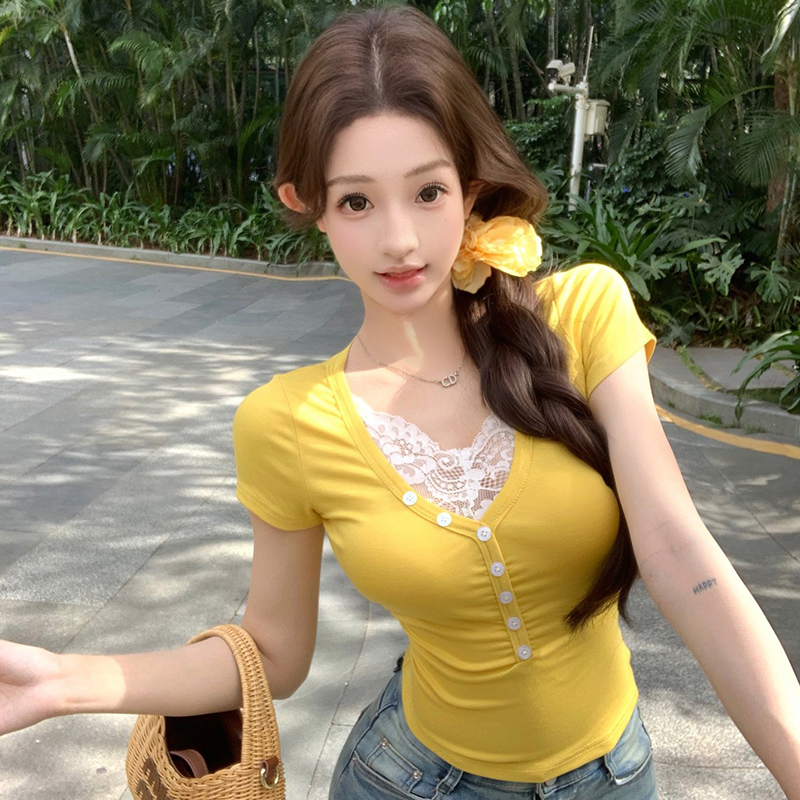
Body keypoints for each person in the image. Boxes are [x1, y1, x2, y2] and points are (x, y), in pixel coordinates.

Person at [1, 5, 799, 799]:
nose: (400, 240)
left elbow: (678, 551)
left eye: (427, 191)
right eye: (357, 201)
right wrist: (65, 681)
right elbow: (275, 653)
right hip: (411, 782)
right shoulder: (289, 421)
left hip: (613, 778)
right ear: (308, 203)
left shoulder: (583, 315)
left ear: (470, 187)